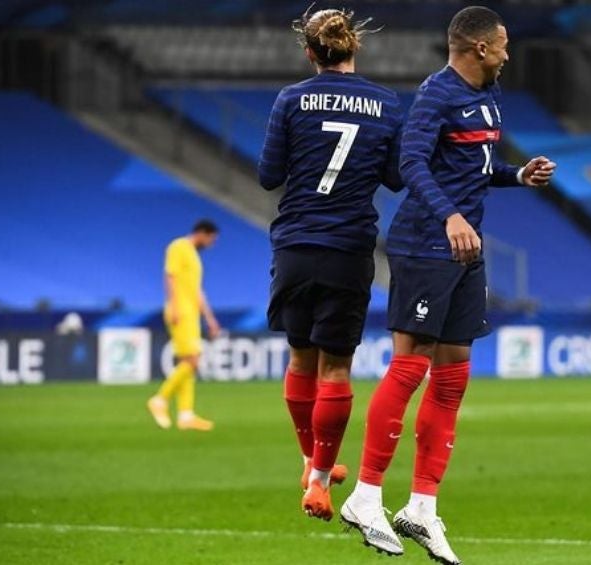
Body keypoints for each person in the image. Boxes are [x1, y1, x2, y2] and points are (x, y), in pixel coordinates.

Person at [340, 6, 555, 563]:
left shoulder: (488, 96)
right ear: (479, 48)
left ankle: (422, 507)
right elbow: (411, 163)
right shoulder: (436, 94)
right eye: (502, 45)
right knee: (411, 364)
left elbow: (473, 168)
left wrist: (516, 175)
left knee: (455, 373)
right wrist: (450, 217)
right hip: (426, 242)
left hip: (468, 246)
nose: (508, 53)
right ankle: (365, 497)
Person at [257, 7, 404, 524]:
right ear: (354, 46)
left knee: (300, 360)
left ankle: (309, 463)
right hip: (348, 246)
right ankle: (319, 483)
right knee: (336, 367)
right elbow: (395, 177)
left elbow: (269, 175)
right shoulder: (385, 103)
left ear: (309, 51)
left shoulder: (291, 99)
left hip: (296, 243)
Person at [147, 219, 221, 432]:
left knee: (187, 362)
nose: (211, 243)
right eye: (211, 239)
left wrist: (210, 318)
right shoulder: (178, 247)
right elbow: (170, 276)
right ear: (202, 233)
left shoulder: (194, 256)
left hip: (191, 313)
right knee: (193, 360)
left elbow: (197, 291)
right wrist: (176, 306)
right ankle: (160, 399)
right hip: (181, 311)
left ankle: (185, 415)